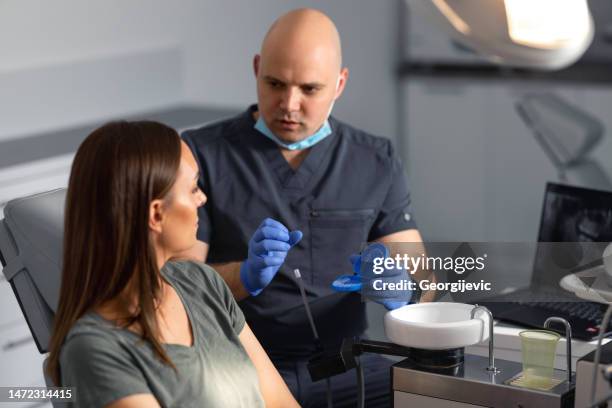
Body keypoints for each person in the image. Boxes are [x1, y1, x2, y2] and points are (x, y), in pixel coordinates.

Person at [182, 8, 434, 407]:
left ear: (339, 84)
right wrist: (244, 275)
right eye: (275, 83)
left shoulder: (374, 160)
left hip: (348, 365)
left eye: (310, 89)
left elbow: (423, 277)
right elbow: (180, 287)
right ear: (256, 69)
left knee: (436, 395)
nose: (289, 104)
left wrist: (402, 285)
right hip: (242, 364)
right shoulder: (201, 155)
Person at [45, 121, 299, 408]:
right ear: (156, 214)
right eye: (192, 189)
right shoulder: (95, 350)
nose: (202, 198)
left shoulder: (202, 282)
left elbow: (280, 401)